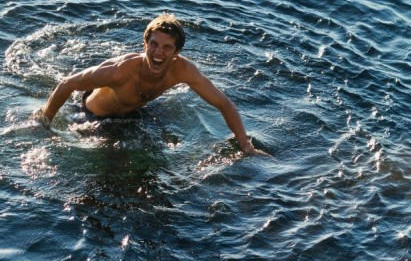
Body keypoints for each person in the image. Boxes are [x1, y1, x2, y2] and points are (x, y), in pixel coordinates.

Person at [37, 13, 266, 156]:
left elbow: (224, 104)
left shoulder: (183, 70)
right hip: (94, 118)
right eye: (154, 44)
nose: (159, 53)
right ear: (144, 44)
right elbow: (67, 84)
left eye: (167, 47)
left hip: (135, 111)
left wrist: (246, 146)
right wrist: (44, 122)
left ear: (177, 52)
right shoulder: (119, 71)